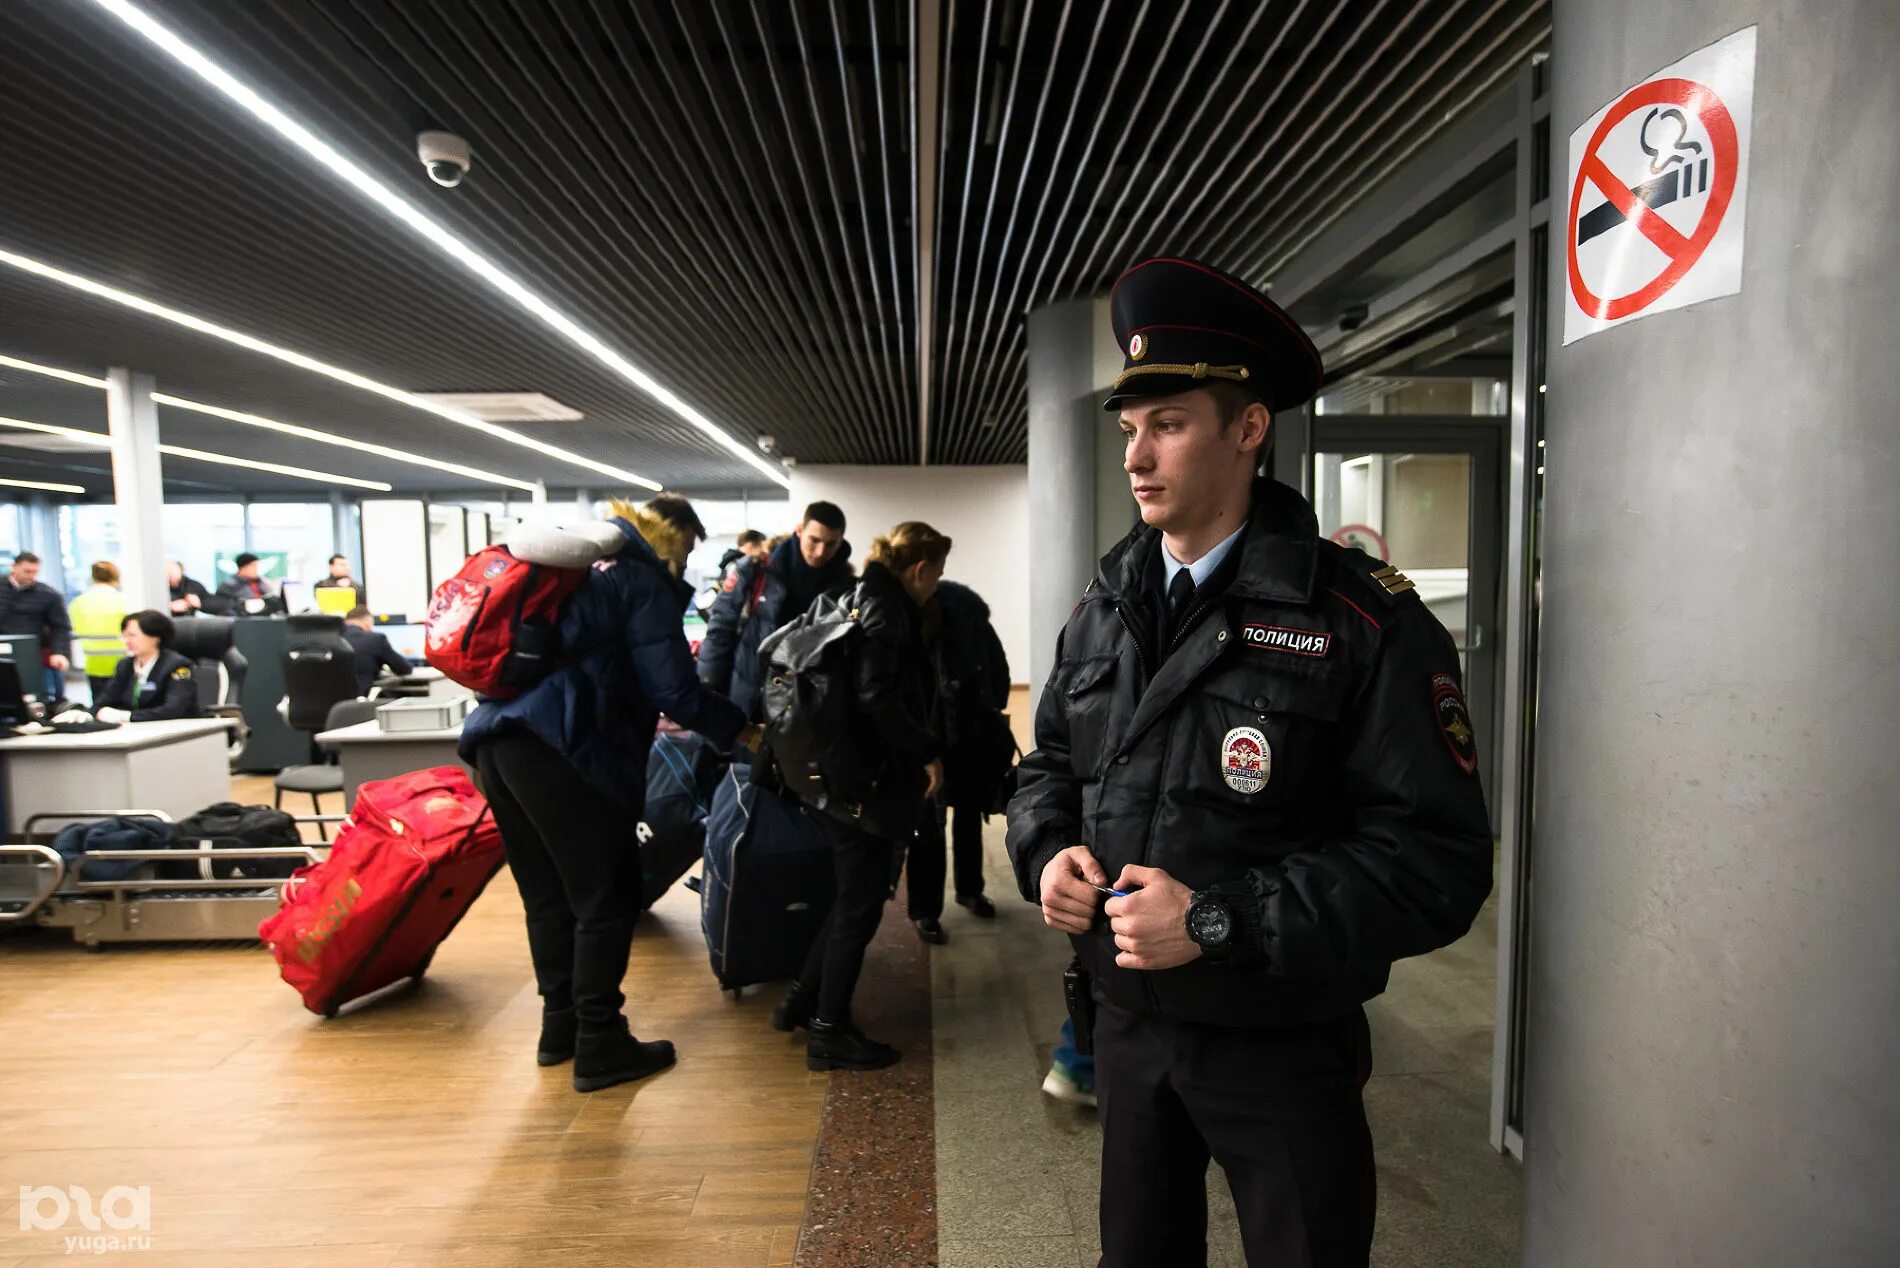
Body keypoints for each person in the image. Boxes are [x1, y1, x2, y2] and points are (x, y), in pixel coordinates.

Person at [1006, 257, 1493, 1267]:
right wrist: (1045, 850)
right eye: (1128, 429)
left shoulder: (1363, 621)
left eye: (1169, 423)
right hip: (1129, 1027)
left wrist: (1217, 918)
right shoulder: (1104, 608)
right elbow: (1049, 764)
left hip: (1281, 1035)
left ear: (1248, 429)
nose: (1137, 455)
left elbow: (1434, 858)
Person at [461, 493, 760, 1094]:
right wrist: (741, 728)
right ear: (674, 539)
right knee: (606, 897)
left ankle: (560, 1030)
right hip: (563, 748)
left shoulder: (577, 570)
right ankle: (600, 1043)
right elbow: (674, 690)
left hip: (498, 741)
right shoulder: (639, 578)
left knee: (548, 895)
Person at [768, 521, 949, 1072]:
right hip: (863, 782)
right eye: (936, 574)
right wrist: (925, 752)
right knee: (860, 906)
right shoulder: (889, 609)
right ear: (919, 570)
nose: (937, 585)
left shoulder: (852, 592)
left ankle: (802, 999)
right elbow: (877, 695)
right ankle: (828, 1031)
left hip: (831, 773)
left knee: (850, 899)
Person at [906, 578, 1012, 944]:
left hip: (967, 737)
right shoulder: (908, 623)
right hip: (924, 743)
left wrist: (990, 706)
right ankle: (925, 909)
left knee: (966, 817)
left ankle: (967, 891)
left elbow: (996, 670)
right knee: (927, 828)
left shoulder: (968, 619)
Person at [697, 501, 853, 720]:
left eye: (830, 544)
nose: (820, 552)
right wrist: (708, 682)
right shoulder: (755, 569)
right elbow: (721, 625)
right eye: (814, 540)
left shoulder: (844, 588)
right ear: (800, 530)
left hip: (805, 702)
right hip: (749, 692)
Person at [92, 610, 202, 723]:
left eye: (132, 635)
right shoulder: (125, 665)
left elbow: (173, 710)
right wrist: (85, 715)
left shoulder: (179, 666)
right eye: (124, 635)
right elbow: (105, 700)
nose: (126, 641)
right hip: (136, 731)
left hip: (175, 731)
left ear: (155, 637)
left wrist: (128, 716)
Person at [0, 551, 72, 701]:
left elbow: (60, 627)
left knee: (43, 697)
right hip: (3, 653)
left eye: (35, 572)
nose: (31, 576)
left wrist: (59, 652)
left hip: (35, 654)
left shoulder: (48, 595)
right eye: (27, 571)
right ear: (14, 567)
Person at [67, 561, 127, 704]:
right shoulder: (122, 600)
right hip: (122, 662)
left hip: (91, 662)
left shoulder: (77, 602)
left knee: (99, 705)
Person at [342, 606, 412, 695]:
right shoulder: (375, 639)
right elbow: (404, 669)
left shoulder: (334, 640)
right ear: (367, 622)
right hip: (364, 700)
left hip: (333, 704)